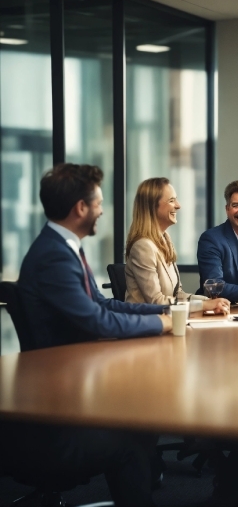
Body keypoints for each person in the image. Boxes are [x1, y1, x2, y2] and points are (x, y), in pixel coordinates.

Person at [15, 163, 173, 507]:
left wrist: (164, 313)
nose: (102, 209)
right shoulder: (53, 257)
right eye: (99, 202)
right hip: (57, 400)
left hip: (76, 379)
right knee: (134, 437)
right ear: (81, 208)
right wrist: (161, 325)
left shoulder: (66, 247)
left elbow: (106, 305)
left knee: (142, 419)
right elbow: (97, 321)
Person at [125, 177, 230, 315]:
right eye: (171, 200)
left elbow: (178, 294)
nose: (178, 205)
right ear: (152, 206)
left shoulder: (165, 240)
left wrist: (209, 301)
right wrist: (204, 305)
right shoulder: (142, 247)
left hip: (166, 321)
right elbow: (156, 302)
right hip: (145, 326)